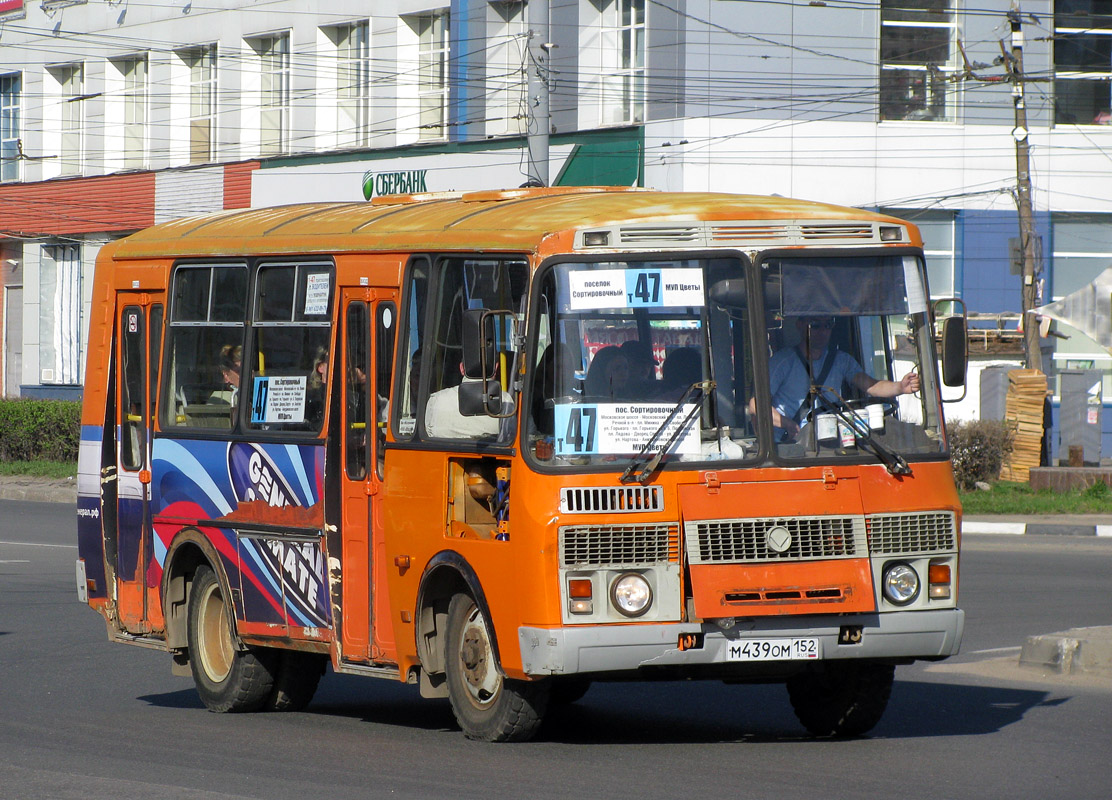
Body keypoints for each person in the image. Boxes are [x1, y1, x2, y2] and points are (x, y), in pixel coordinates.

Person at [759, 316, 919, 440]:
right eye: (815, 325)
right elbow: (756, 406)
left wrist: (900, 387)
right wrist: (788, 424)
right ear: (800, 325)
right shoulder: (782, 362)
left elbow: (872, 386)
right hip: (789, 446)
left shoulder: (842, 361)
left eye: (828, 325)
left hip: (829, 441)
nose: (822, 331)